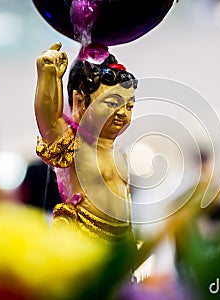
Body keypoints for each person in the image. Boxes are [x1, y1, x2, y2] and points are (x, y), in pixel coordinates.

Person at [34, 42, 137, 242]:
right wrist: (48, 75)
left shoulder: (120, 153)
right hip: (87, 239)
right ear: (80, 102)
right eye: (112, 103)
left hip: (122, 242)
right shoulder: (75, 143)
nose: (122, 113)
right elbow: (49, 120)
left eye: (130, 106)